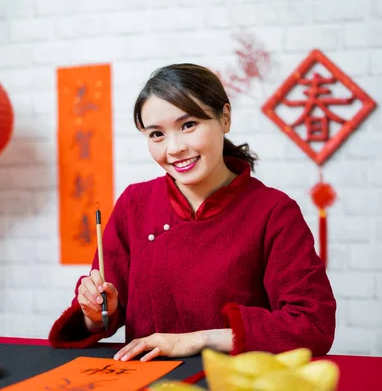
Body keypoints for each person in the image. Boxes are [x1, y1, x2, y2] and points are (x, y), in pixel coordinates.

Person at [48, 63, 337, 363]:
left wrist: (198, 339)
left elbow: (313, 325)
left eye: (188, 125)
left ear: (224, 117)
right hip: (146, 380)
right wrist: (95, 314)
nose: (174, 149)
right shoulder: (135, 203)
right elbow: (106, 315)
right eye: (157, 134)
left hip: (232, 382)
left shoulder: (274, 212)